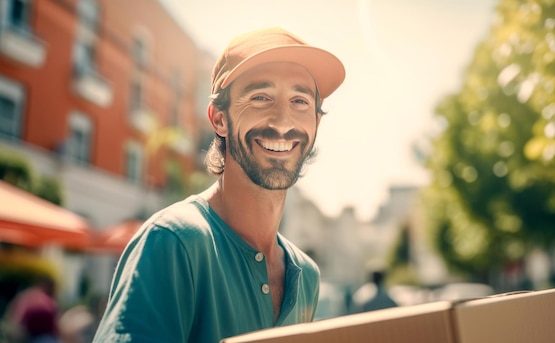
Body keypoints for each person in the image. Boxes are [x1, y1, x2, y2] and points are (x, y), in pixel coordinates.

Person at [92, 27, 345, 343]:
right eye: (260, 97)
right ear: (219, 119)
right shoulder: (174, 241)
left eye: (300, 101)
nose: (283, 122)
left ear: (317, 122)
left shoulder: (306, 275)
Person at [4, 275, 60, 343]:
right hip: (35, 337)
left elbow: (15, 317)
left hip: (35, 336)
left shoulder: (28, 296)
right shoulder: (47, 300)